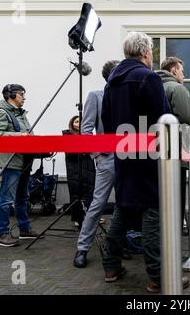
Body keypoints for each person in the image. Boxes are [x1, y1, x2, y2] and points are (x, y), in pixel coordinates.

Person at [101, 31, 189, 293]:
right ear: (146, 53)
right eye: (152, 51)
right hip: (149, 156)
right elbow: (164, 119)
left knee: (124, 208)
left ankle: (110, 266)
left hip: (123, 155)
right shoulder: (147, 77)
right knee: (153, 213)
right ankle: (157, 275)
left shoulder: (112, 81)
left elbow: (106, 122)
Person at [73, 60, 120, 268]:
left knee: (127, 203)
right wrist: (97, 155)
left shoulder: (127, 98)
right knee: (97, 204)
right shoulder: (96, 96)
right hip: (107, 159)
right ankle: (82, 248)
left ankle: (120, 245)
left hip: (129, 159)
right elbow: (86, 129)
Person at [0, 84, 41, 247]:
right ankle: (2, 234)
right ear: (10, 95)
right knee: (6, 199)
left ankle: (24, 229)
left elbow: (27, 134)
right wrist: (20, 135)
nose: (24, 98)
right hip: (11, 162)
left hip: (24, 161)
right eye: (21, 94)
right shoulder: (2, 112)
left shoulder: (21, 114)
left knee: (22, 197)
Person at [156, 57, 190, 235]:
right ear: (173, 71)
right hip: (176, 149)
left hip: (154, 149)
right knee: (177, 193)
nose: (184, 75)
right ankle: (175, 231)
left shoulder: (153, 86)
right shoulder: (177, 89)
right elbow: (186, 117)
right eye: (182, 71)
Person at [62, 115, 96, 228]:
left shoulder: (88, 135)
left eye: (81, 121)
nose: (79, 123)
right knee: (76, 194)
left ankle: (90, 217)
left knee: (90, 193)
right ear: (72, 124)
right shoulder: (67, 135)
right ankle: (77, 218)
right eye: (76, 121)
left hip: (88, 170)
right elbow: (70, 154)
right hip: (75, 171)